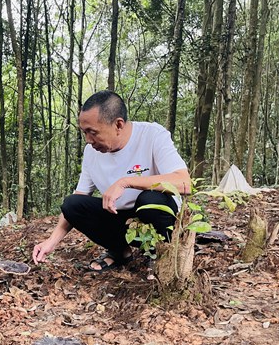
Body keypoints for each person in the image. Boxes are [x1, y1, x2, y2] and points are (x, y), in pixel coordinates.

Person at [33, 90, 190, 271]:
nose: (88, 140)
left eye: (93, 132)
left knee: (150, 200)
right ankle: (120, 252)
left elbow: (184, 183)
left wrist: (125, 182)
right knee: (72, 204)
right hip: (121, 220)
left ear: (118, 125)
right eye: (84, 132)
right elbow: (79, 197)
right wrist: (51, 242)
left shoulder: (152, 135)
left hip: (156, 218)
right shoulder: (91, 152)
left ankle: (161, 253)